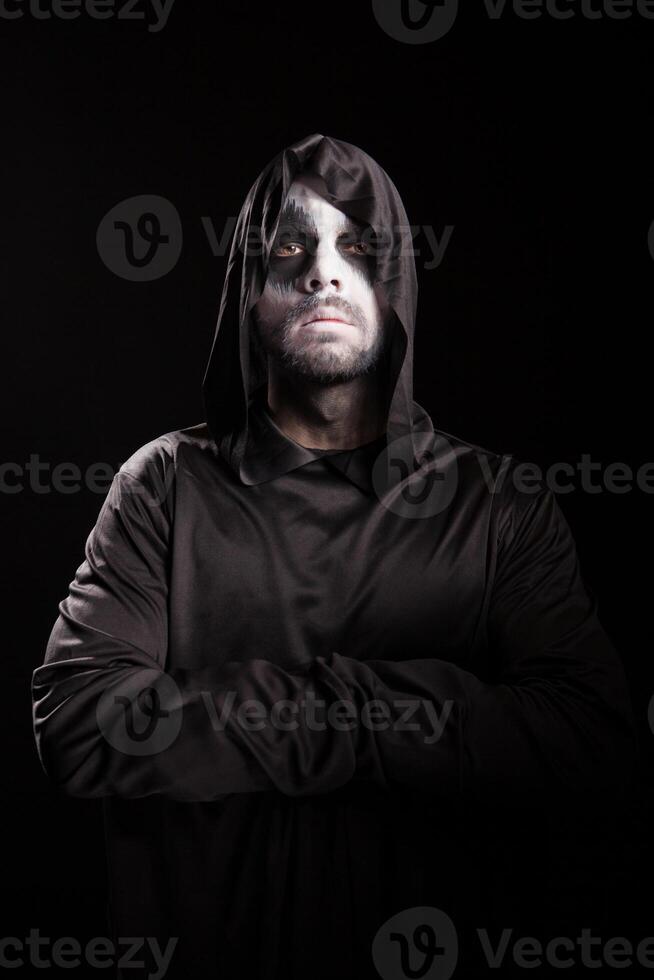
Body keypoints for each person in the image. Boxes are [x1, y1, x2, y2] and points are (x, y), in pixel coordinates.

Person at [31, 133, 636, 980]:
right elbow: (79, 721)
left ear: (396, 289)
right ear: (249, 291)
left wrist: (343, 716)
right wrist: (365, 718)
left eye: (356, 246)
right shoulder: (164, 485)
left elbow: (589, 737)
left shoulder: (499, 503)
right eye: (291, 247)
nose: (322, 271)